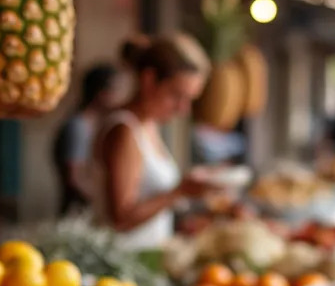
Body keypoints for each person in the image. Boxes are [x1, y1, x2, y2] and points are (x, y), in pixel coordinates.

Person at [92, 34, 214, 250]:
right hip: (121, 265)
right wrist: (180, 191)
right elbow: (121, 217)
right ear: (149, 80)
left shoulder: (148, 126)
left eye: (189, 100)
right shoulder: (124, 131)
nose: (183, 109)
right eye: (176, 95)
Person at [52, 64, 125, 215]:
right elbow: (75, 178)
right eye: (116, 90)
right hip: (79, 214)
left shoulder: (97, 125)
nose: (119, 97)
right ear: (102, 93)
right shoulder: (78, 127)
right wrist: (107, 203)